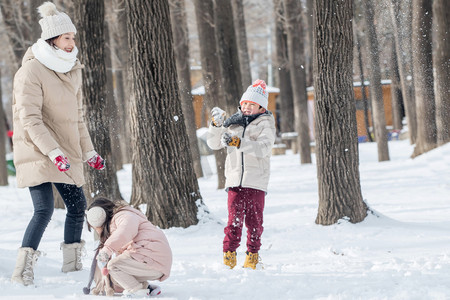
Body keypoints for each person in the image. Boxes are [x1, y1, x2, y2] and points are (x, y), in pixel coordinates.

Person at [11, 2, 105, 286]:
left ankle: (72, 266)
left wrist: (88, 151)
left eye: (73, 37)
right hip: (38, 149)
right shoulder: (30, 72)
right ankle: (22, 271)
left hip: (64, 150)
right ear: (52, 39)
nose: (72, 43)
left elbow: (77, 118)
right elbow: (30, 119)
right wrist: (53, 153)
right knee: (44, 210)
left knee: (78, 207)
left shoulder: (71, 70)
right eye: (67, 38)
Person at [206, 79, 276, 269]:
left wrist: (239, 143)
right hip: (235, 181)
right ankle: (229, 256)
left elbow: (263, 148)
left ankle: (252, 257)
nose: (246, 107)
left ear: (261, 108)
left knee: (254, 223)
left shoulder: (266, 124)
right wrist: (215, 125)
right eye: (244, 103)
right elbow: (214, 144)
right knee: (233, 221)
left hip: (256, 182)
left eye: (251, 104)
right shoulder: (233, 125)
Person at [85, 198, 172, 297]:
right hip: (146, 260)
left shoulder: (124, 215)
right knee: (115, 278)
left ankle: (137, 291)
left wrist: (107, 250)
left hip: (152, 257)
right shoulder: (114, 227)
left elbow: (125, 231)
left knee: (114, 266)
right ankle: (146, 288)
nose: (96, 231)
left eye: (95, 228)